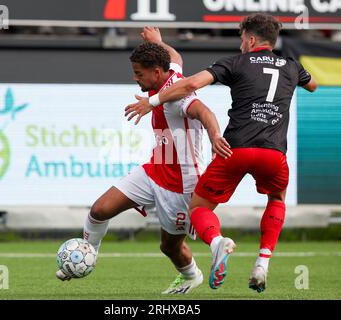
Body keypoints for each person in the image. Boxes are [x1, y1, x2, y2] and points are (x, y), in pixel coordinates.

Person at [125, 14, 318, 292]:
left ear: (251, 40)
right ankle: (262, 262)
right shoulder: (291, 66)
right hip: (273, 153)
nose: (241, 45)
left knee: (199, 208)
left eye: (242, 40)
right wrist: (295, 80)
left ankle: (218, 241)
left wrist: (151, 101)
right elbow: (313, 86)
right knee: (276, 198)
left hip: (234, 149)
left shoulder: (235, 62)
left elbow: (190, 84)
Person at [56, 27, 231, 295]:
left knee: (170, 247)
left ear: (156, 73)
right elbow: (176, 57)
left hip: (181, 185)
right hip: (153, 171)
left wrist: (215, 135)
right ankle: (86, 256)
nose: (135, 79)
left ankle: (193, 274)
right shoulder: (170, 74)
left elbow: (204, 111)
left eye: (139, 73)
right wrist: (159, 42)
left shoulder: (178, 96)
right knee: (99, 210)